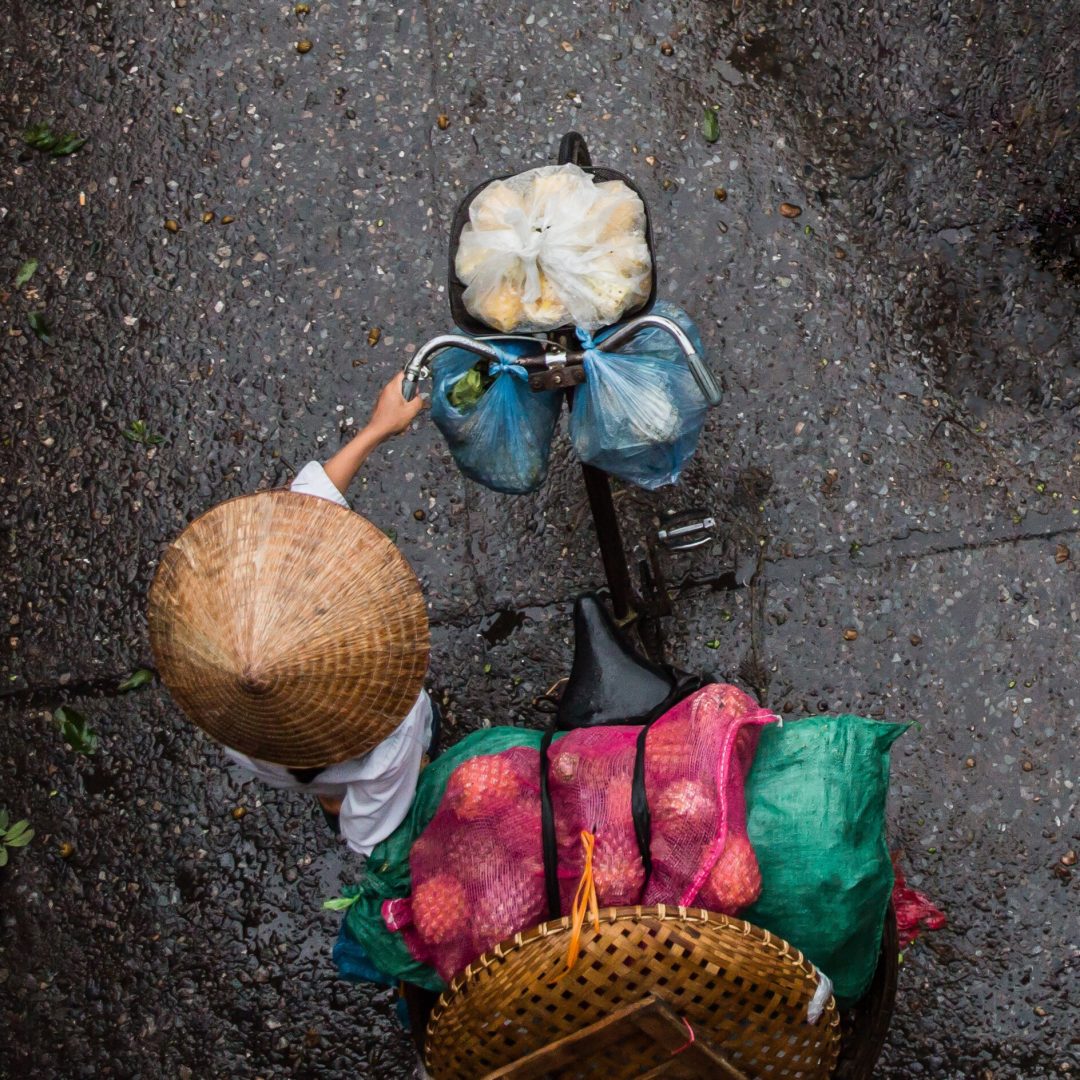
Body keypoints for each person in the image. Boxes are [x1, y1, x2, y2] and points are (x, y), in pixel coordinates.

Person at [148, 372, 435, 859]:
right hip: (377, 766)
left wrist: (375, 429)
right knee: (411, 775)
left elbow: (306, 501)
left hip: (281, 761)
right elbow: (370, 836)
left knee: (327, 786)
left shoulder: (225, 691)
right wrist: (377, 428)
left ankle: (327, 797)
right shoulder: (395, 732)